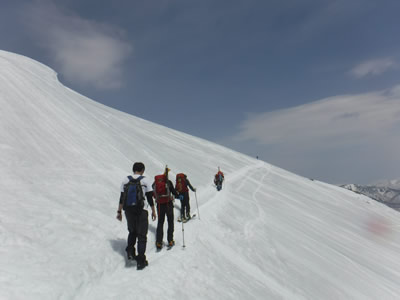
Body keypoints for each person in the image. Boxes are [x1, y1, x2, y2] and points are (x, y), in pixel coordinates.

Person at [117, 162, 156, 270]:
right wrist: (153, 211)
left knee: (132, 231)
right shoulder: (145, 180)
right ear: (142, 170)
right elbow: (149, 197)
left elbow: (121, 197)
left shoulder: (126, 180)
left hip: (128, 210)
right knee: (142, 236)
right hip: (141, 211)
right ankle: (141, 261)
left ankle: (130, 251)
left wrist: (119, 212)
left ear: (133, 169)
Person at [153, 166, 179, 250]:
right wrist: (179, 195)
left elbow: (152, 193)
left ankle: (159, 242)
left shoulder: (155, 183)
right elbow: (175, 193)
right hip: (168, 204)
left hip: (160, 205)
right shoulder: (168, 182)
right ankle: (170, 240)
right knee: (170, 222)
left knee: (160, 222)